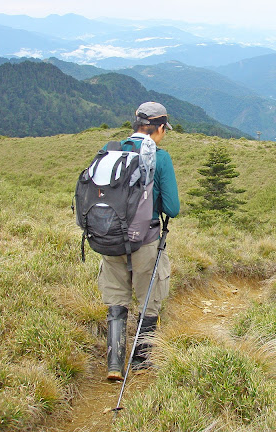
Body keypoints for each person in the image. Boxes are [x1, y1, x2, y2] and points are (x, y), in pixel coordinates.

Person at [99, 102, 180, 380]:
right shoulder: (161, 157)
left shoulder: (112, 150)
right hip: (145, 241)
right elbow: (173, 208)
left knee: (117, 299)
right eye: (164, 130)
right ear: (158, 128)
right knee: (150, 299)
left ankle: (113, 363)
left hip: (109, 238)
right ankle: (141, 361)